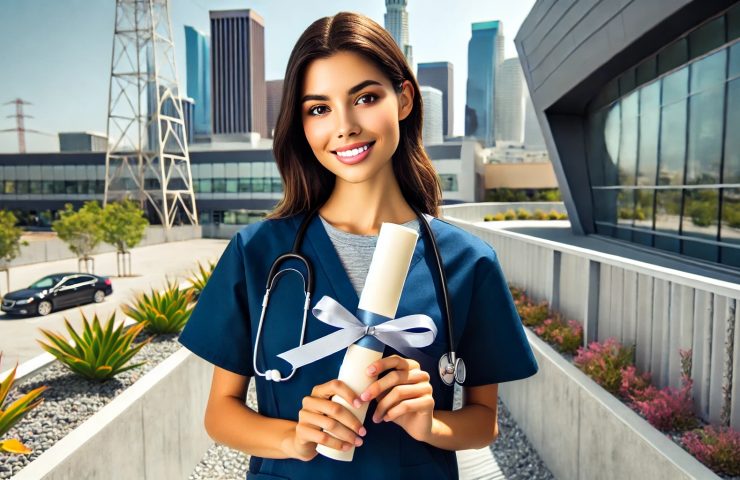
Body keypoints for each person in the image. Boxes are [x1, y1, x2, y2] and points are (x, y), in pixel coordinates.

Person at [178, 11, 538, 480]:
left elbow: (482, 421)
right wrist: (292, 438)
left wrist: (429, 424)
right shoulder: (258, 253)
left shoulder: (468, 263)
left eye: (365, 98)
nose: (344, 126)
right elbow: (220, 413)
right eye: (319, 108)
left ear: (404, 98)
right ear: (302, 124)